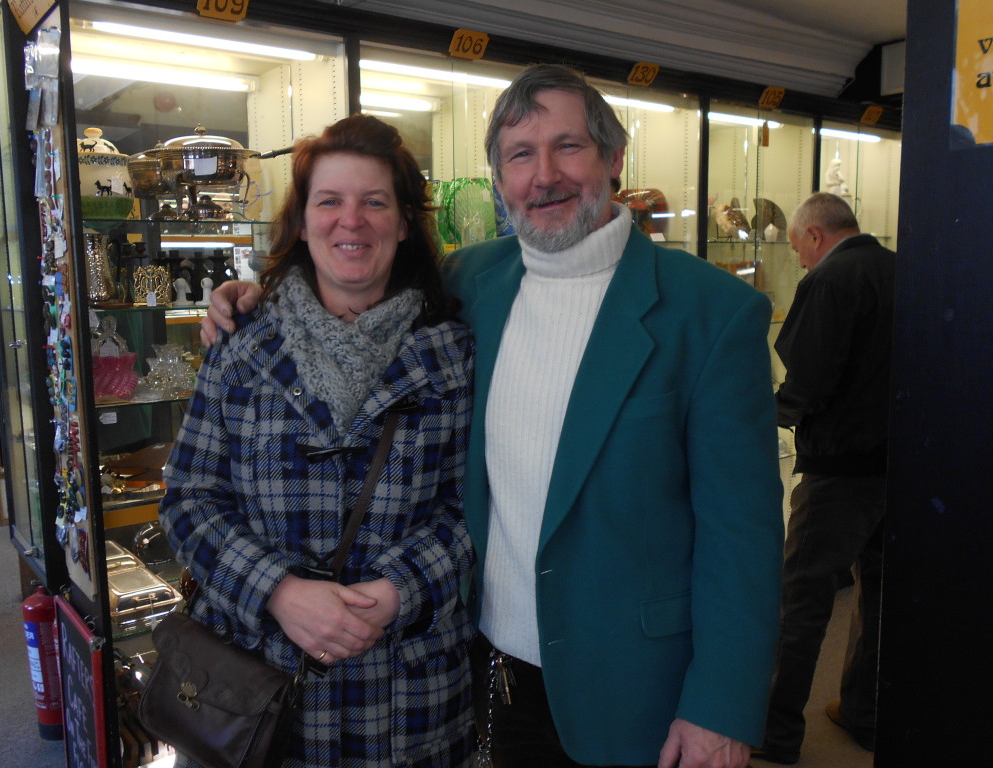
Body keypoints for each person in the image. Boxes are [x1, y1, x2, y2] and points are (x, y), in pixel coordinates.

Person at [203, 64, 783, 768]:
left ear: (614, 158)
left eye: (567, 147)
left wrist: (721, 706)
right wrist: (251, 297)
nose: (544, 176)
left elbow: (742, 536)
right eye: (520, 155)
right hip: (483, 677)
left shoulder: (712, 314)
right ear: (499, 179)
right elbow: (354, 276)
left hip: (634, 691)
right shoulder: (471, 282)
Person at [162, 114, 476, 768]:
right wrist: (278, 591)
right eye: (329, 201)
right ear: (302, 223)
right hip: (258, 704)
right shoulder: (242, 345)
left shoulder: (455, 354)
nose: (350, 221)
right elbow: (189, 501)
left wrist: (398, 591)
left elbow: (475, 507)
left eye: (374, 202)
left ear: (402, 221)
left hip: (406, 705)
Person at [754, 192, 895, 764]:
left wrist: (764, 417)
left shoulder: (830, 280)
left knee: (803, 600)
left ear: (814, 235)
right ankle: (866, 713)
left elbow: (808, 379)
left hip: (838, 473)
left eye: (798, 250)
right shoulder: (900, 266)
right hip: (897, 465)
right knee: (882, 599)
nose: (803, 262)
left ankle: (777, 731)